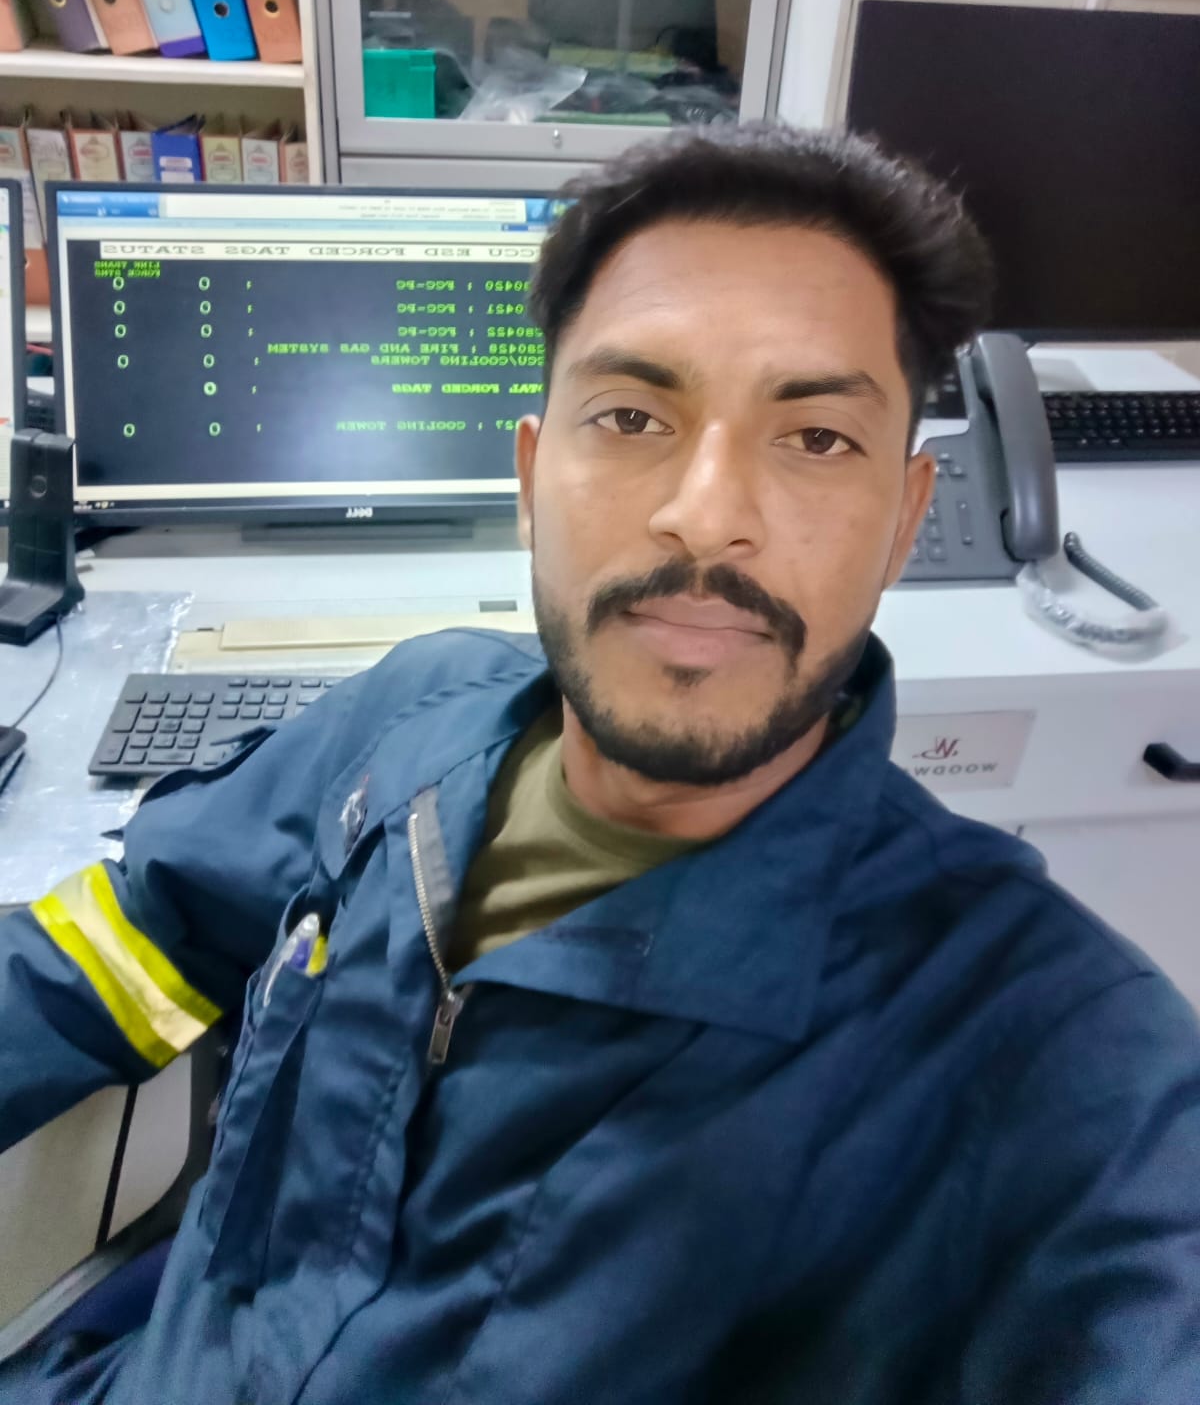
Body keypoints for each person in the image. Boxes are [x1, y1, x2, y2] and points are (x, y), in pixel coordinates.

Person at [1, 125, 1197, 1405]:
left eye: (816, 438)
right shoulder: (401, 723)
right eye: (632, 416)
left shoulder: (1062, 1067)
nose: (706, 514)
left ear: (907, 519)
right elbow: (125, 941)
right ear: (531, 478)